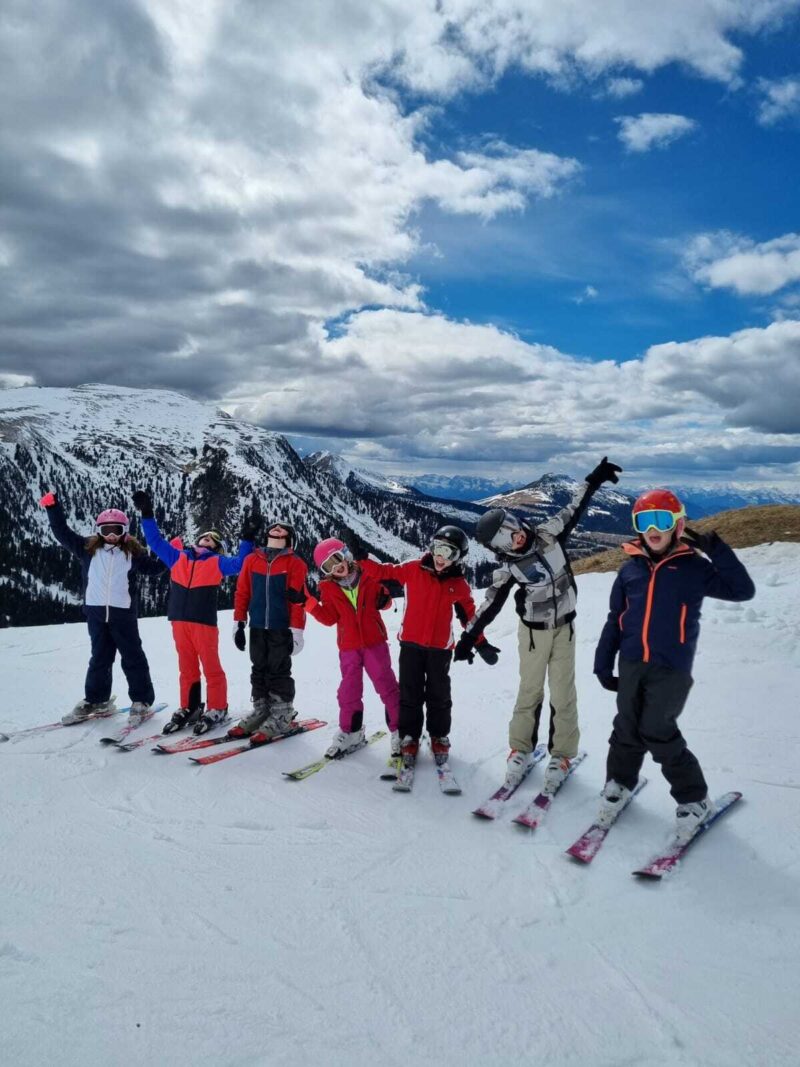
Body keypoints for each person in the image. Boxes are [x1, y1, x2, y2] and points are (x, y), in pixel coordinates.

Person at [593, 488, 755, 841]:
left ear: (677, 525)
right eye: (644, 521)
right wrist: (603, 662)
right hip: (633, 662)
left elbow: (742, 590)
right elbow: (614, 619)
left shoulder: (694, 568)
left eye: (661, 520)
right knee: (626, 727)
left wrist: (718, 552)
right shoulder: (629, 571)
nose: (653, 528)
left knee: (657, 730)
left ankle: (694, 801)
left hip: (671, 667)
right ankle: (619, 783)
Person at [455, 457, 623, 792]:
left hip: (565, 629)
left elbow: (576, 506)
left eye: (512, 531)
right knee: (529, 692)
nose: (514, 540)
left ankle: (561, 754)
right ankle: (520, 750)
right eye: (504, 541)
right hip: (532, 634)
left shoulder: (549, 535)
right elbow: (488, 605)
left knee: (564, 693)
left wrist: (594, 479)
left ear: (518, 523)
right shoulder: (510, 570)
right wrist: (468, 637)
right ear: (498, 549)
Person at [357, 525, 496, 770]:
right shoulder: (412, 569)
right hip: (410, 644)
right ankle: (409, 736)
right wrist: (361, 557)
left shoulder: (458, 584)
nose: (442, 557)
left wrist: (480, 641)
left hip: (440, 649)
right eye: (438, 549)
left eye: (450, 552)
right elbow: (383, 572)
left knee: (439, 695)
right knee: (409, 694)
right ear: (431, 548)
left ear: (458, 558)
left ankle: (438, 736)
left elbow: (469, 616)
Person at [132, 490, 255, 734]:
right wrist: (147, 513)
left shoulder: (218, 562)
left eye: (213, 539)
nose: (207, 539)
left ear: (218, 547)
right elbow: (155, 542)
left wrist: (247, 538)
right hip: (179, 622)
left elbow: (242, 563)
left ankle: (218, 707)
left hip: (204, 623)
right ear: (196, 540)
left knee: (211, 666)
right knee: (186, 666)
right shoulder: (177, 557)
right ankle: (190, 706)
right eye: (204, 536)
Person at [39, 491, 164, 725]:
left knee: (132, 657)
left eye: (116, 530)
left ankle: (142, 701)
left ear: (124, 531)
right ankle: (96, 700)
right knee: (99, 658)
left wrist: (171, 554)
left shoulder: (133, 554)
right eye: (106, 530)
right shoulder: (87, 549)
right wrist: (53, 508)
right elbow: (62, 533)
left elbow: (154, 569)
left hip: (123, 615)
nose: (111, 535)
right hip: (96, 615)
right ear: (99, 530)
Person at [304, 538, 400, 758]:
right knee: (349, 690)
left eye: (337, 559)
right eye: (328, 565)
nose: (336, 566)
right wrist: (309, 604)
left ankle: (399, 730)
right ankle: (351, 732)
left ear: (346, 555)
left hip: (374, 643)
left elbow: (385, 602)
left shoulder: (367, 576)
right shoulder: (328, 588)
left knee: (386, 685)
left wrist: (384, 597)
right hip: (348, 647)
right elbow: (329, 618)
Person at [230, 520, 308, 743]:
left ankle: (282, 713)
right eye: (274, 527)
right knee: (258, 667)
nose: (277, 528)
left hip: (280, 627)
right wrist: (239, 622)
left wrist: (297, 630)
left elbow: (297, 601)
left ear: (289, 537)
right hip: (256, 626)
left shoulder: (295, 563)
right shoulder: (252, 560)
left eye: (282, 528)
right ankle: (262, 710)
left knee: (278, 670)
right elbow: (242, 591)